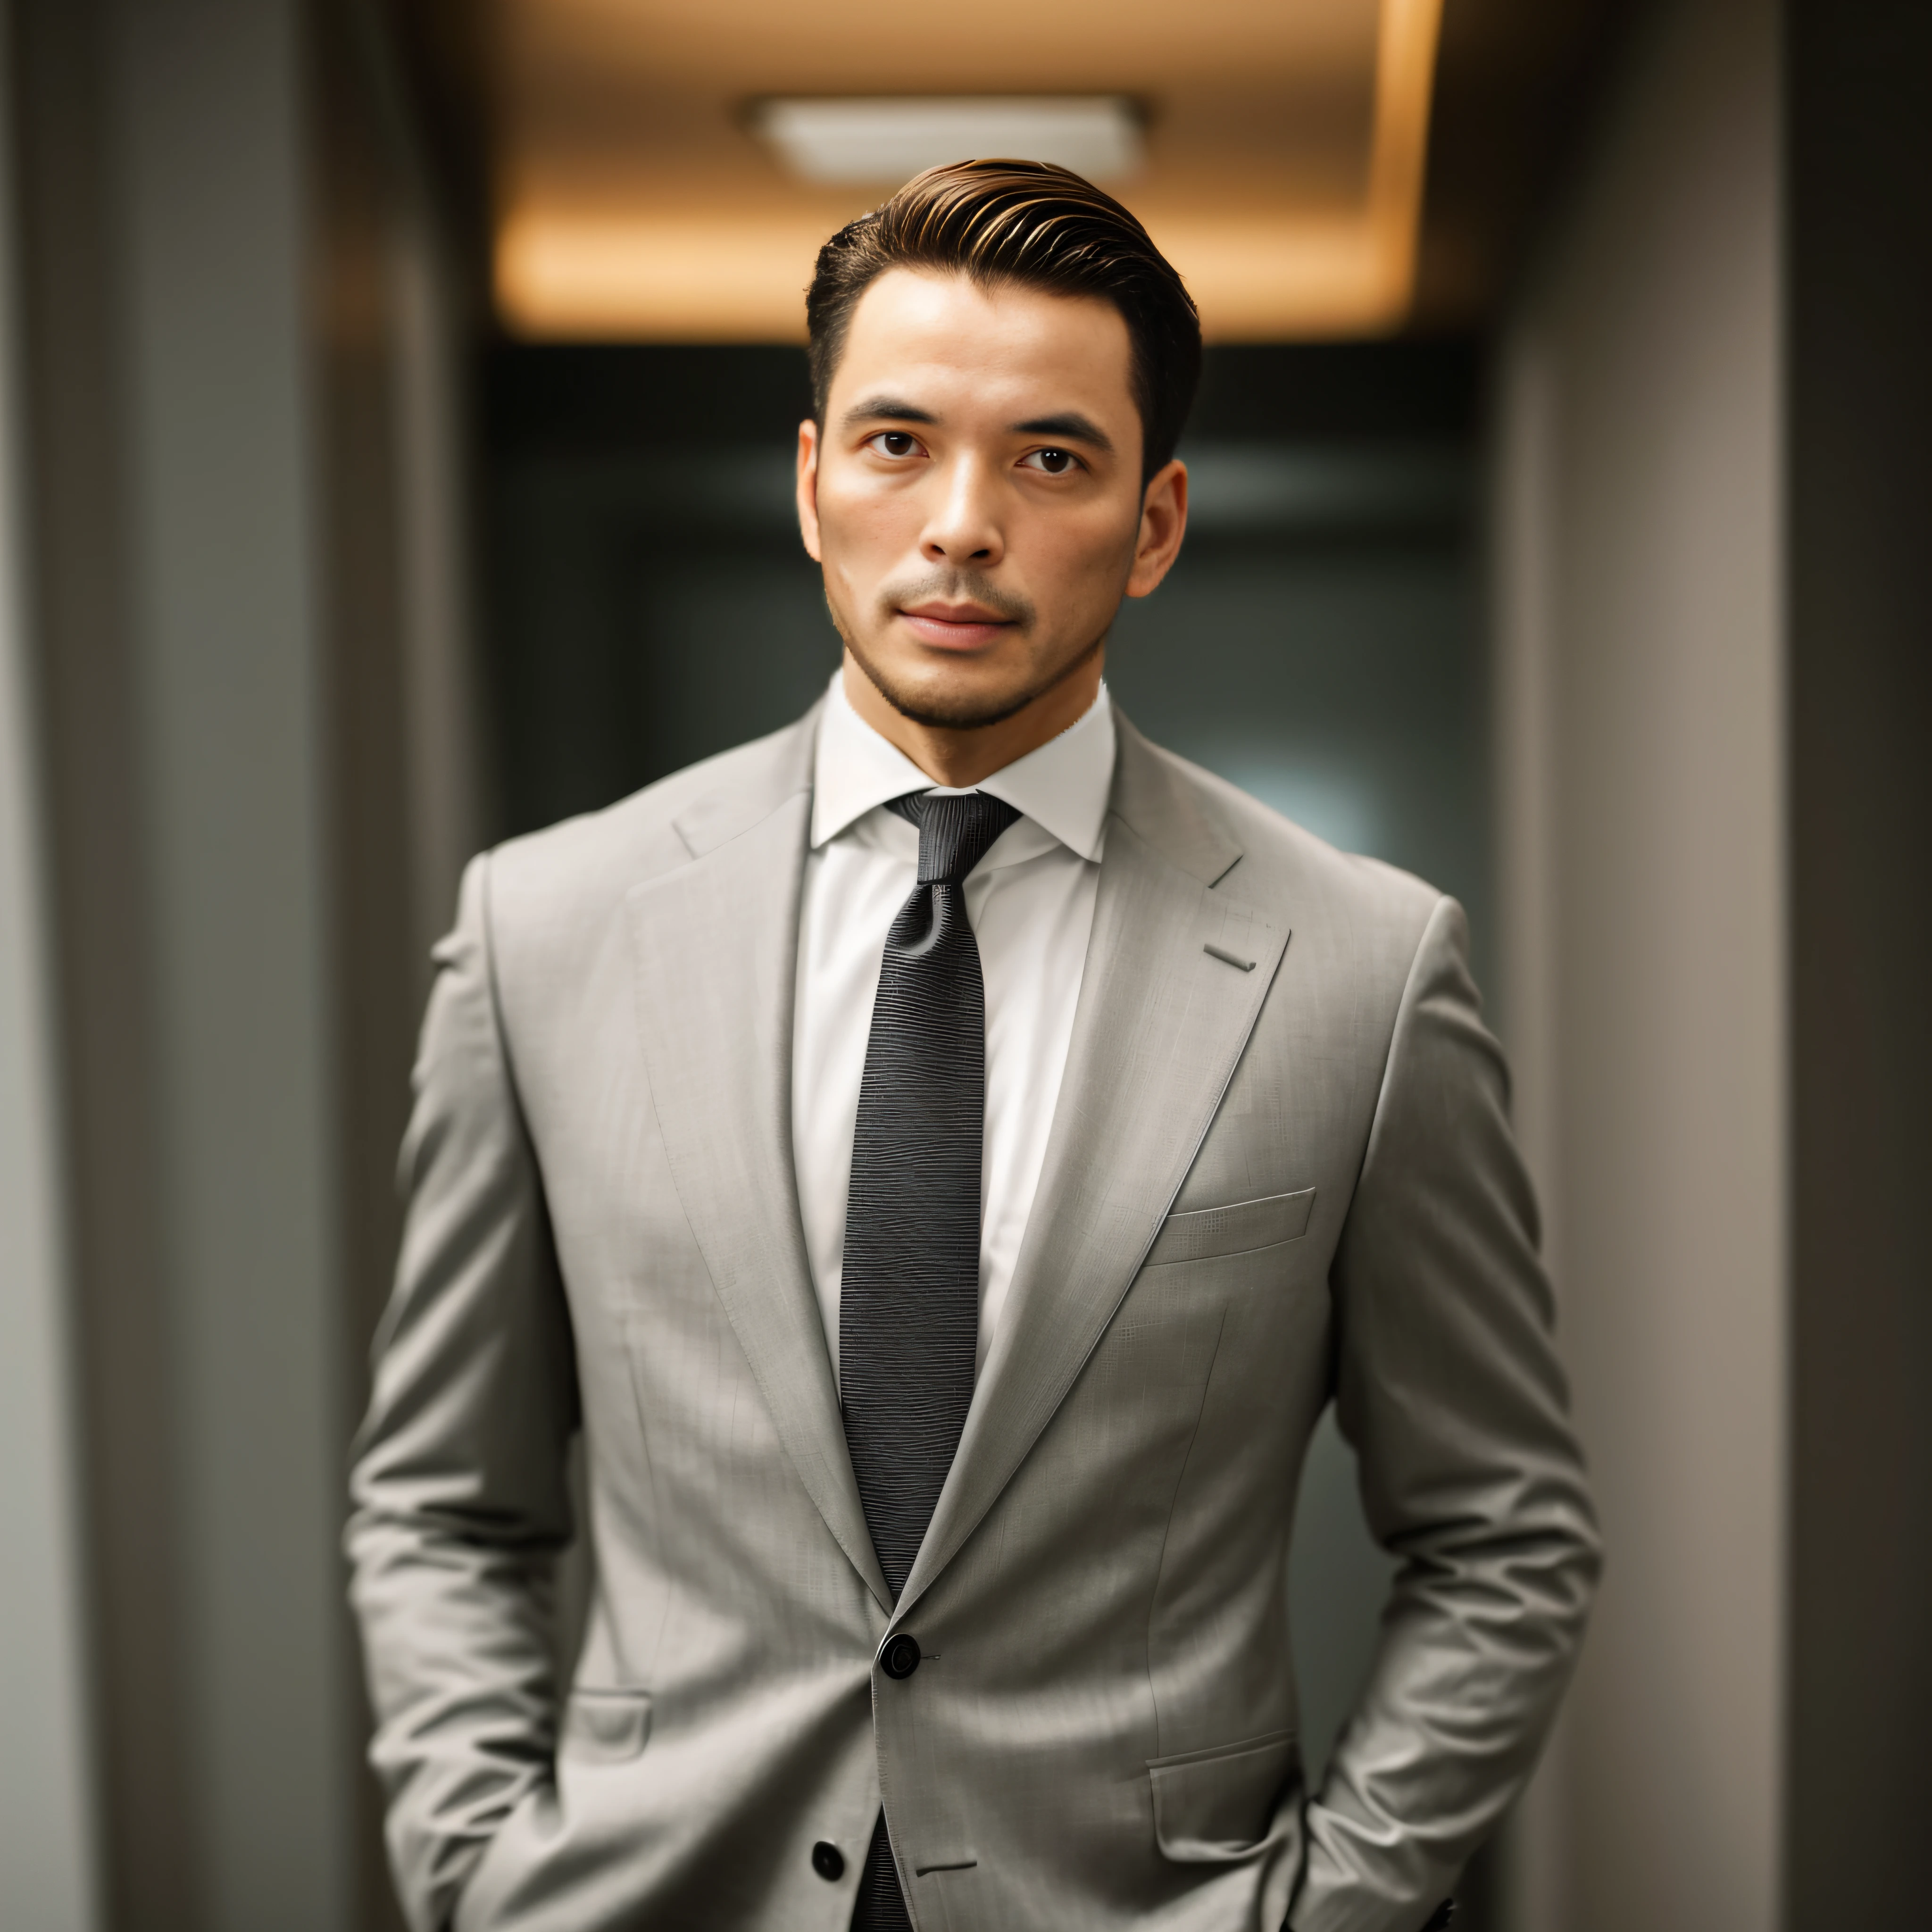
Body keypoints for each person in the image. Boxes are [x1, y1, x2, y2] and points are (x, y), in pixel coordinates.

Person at [347, 160, 1600, 1932]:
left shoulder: (1363, 971)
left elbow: (1503, 1537)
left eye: (1052, 459)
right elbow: (445, 1507)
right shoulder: (546, 928)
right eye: (895, 444)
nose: (960, 523)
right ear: (811, 484)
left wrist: (1333, 1906)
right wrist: (480, 1874)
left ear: (1154, 522)